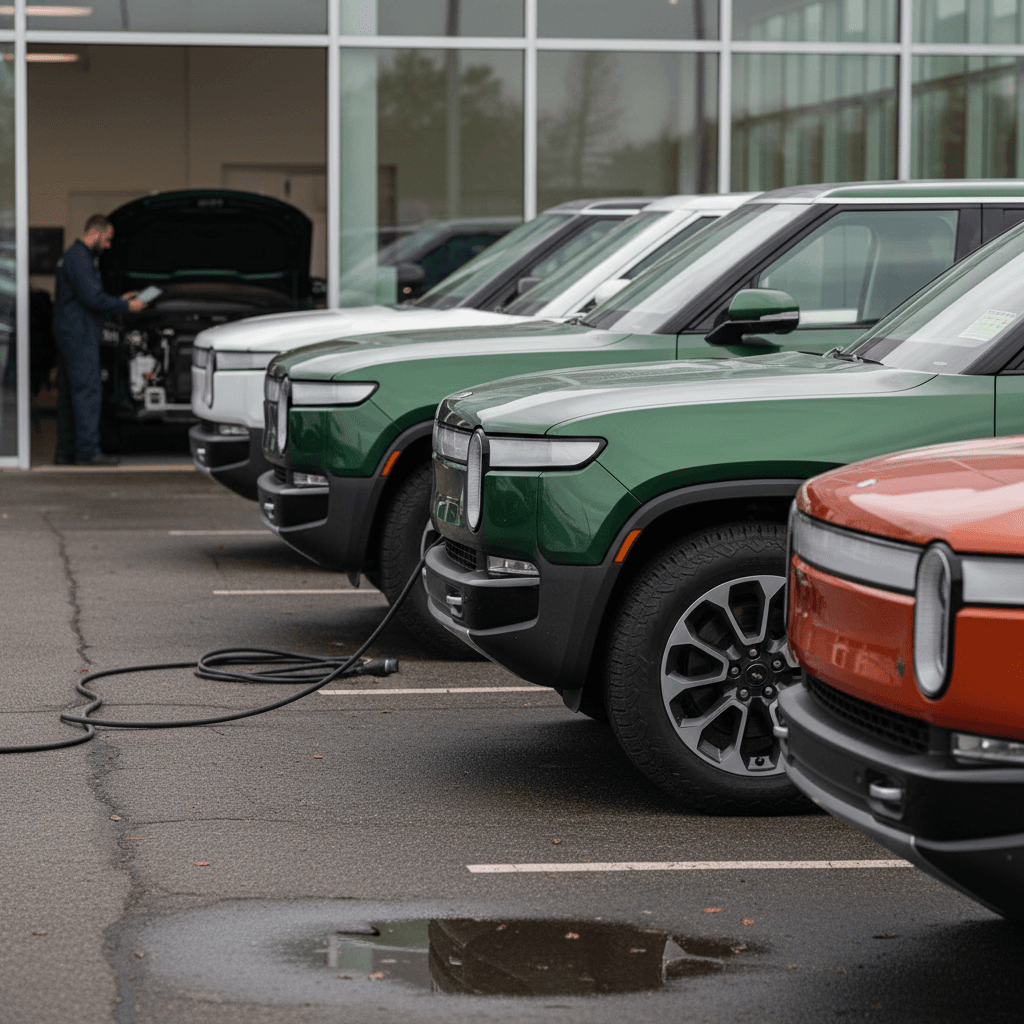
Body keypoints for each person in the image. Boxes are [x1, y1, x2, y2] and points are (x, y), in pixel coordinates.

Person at [52, 214, 147, 466]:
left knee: (69, 393)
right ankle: (88, 452)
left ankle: (65, 451)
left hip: (69, 331)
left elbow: (88, 296)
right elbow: (93, 299)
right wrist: (126, 306)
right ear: (95, 232)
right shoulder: (80, 258)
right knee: (87, 391)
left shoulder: (72, 256)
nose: (108, 245)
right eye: (107, 238)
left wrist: (118, 300)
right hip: (79, 333)